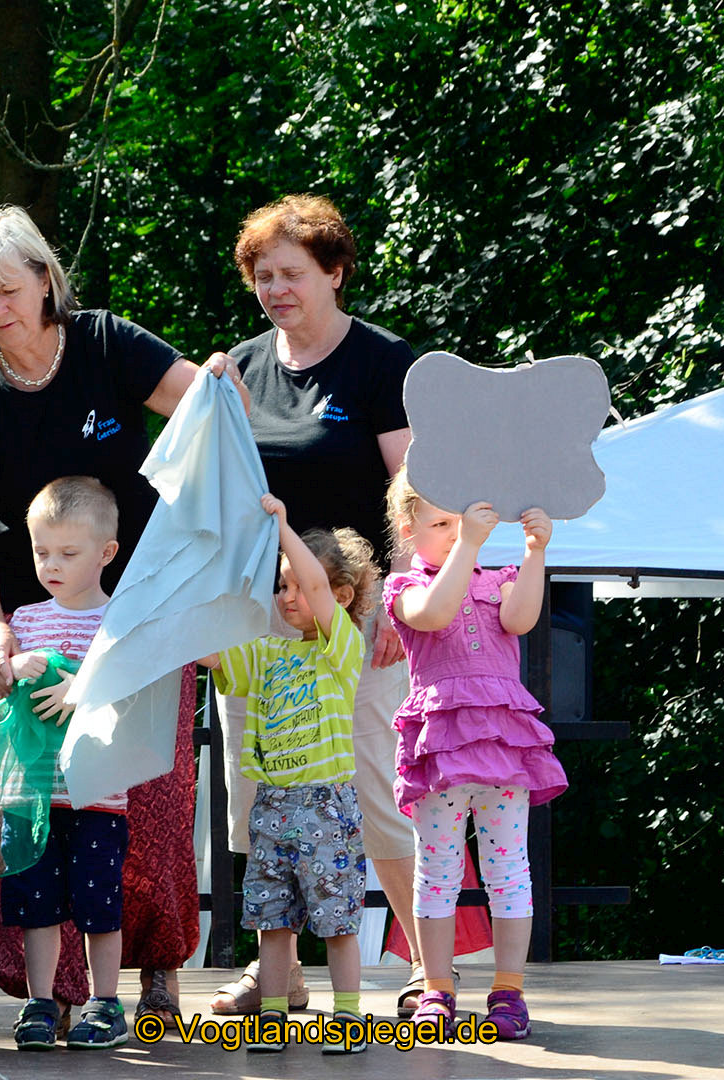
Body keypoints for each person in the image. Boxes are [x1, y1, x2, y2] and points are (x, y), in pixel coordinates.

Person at [0, 205, 240, 1023]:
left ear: (45, 280)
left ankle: (155, 976)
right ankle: (54, 992)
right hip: (31, 631)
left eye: (9, 290)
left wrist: (217, 380)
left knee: (152, 797)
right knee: (36, 805)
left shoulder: (108, 342)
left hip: (142, 614)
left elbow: (207, 413)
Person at [214, 194, 425, 1016]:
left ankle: (421, 974)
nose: (275, 288)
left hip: (356, 613)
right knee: (255, 786)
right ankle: (282, 977)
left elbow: (413, 494)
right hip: (260, 616)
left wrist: (400, 605)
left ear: (335, 273)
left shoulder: (382, 363)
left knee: (372, 786)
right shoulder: (237, 369)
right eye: (263, 275)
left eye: (292, 273)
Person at [383, 467, 569, 1040]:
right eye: (440, 523)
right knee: (437, 870)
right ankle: (437, 987)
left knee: (509, 869)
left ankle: (508, 989)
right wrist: (466, 544)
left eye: (460, 520)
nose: (458, 531)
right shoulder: (405, 588)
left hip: (503, 745)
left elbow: (522, 619)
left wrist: (536, 554)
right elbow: (434, 614)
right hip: (440, 743)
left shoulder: (500, 579)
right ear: (407, 528)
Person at [204, 496, 377, 1054]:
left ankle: (349, 1023)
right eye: (282, 586)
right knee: (272, 920)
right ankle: (274, 1021)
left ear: (341, 596)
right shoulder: (269, 653)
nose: (288, 595)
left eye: (296, 584)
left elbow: (319, 590)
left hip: (326, 805)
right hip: (273, 805)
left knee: (338, 922)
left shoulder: (340, 649)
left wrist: (281, 526)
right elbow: (215, 657)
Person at [0, 477, 133, 1050]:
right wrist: (14, 664)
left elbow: (134, 691)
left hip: (98, 792)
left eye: (68, 554)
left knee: (100, 899)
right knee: (37, 906)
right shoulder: (26, 618)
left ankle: (105, 1001)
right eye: (41, 551)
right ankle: (41, 1002)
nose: (51, 564)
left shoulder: (121, 619)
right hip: (33, 795)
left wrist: (85, 688)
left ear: (106, 553)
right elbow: (1, 689)